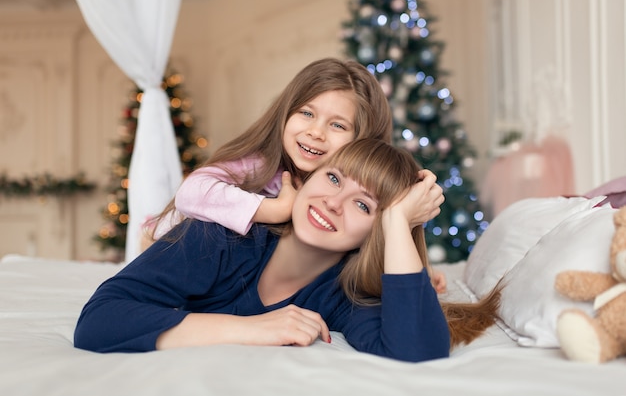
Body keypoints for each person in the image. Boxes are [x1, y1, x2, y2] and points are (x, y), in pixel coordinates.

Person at [75, 139, 500, 362]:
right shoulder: (217, 237)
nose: (333, 203)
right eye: (334, 179)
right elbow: (98, 322)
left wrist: (396, 223)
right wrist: (252, 330)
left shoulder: (344, 293)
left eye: (363, 204)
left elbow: (418, 351)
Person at [142, 57, 392, 245]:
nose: (316, 132)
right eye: (306, 113)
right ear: (285, 113)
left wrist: (418, 268)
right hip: (162, 249)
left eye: (337, 125)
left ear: (362, 139)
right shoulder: (262, 163)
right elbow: (190, 193)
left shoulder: (344, 192)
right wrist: (274, 209)